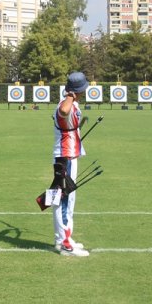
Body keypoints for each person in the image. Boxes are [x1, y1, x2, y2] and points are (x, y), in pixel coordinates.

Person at [52, 71, 90, 257]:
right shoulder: (65, 104)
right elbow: (63, 112)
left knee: (66, 198)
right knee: (64, 199)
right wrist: (70, 95)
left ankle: (64, 238)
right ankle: (65, 243)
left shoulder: (73, 104)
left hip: (69, 156)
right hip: (65, 158)